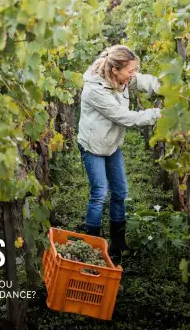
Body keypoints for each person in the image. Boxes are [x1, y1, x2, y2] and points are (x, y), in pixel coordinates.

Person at [77, 45, 161, 260]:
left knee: (121, 192)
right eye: (129, 71)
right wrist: (159, 114)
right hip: (93, 146)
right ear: (114, 69)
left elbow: (143, 81)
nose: (132, 75)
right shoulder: (95, 90)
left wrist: (167, 87)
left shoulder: (120, 78)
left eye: (134, 70)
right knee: (99, 194)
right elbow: (125, 117)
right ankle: (92, 247)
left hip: (112, 144)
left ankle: (118, 243)